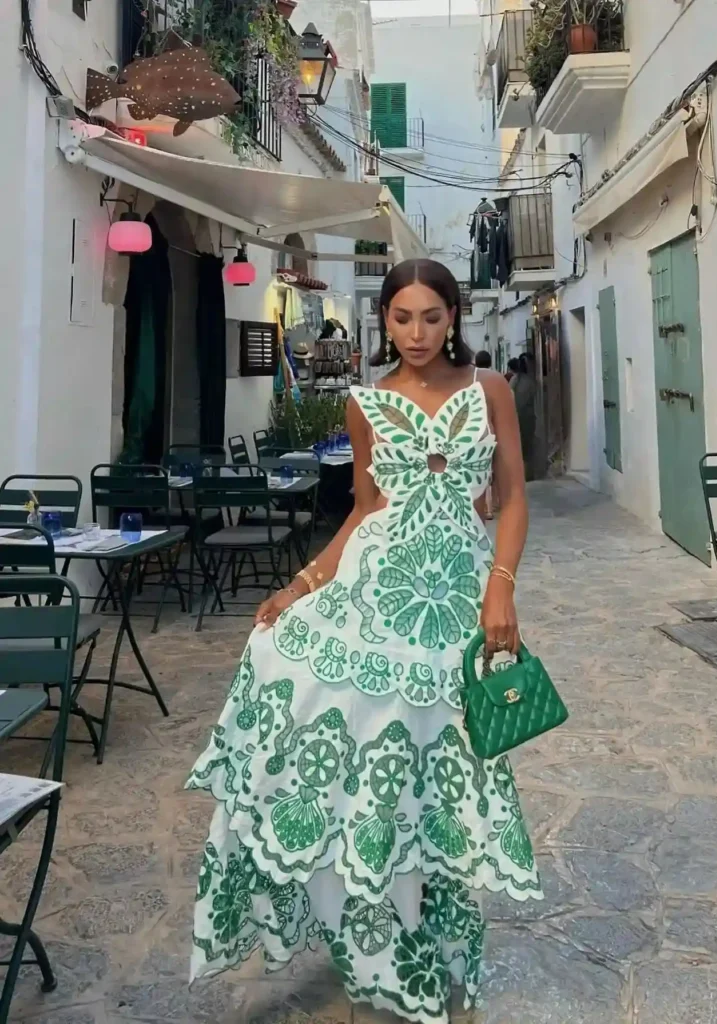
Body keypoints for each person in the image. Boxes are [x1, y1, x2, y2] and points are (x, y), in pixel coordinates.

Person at [187, 259, 541, 1024]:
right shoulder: (367, 403)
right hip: (373, 604)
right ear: (384, 320)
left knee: (443, 781)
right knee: (370, 778)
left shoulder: (490, 394)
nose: (416, 334)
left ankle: (434, 947)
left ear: (454, 318)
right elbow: (362, 515)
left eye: (431, 318)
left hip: (452, 612)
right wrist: (300, 587)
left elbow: (510, 499)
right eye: (402, 318)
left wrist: (500, 586)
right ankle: (375, 952)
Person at [511, 353, 536, 480]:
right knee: (527, 446)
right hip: (526, 417)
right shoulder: (530, 382)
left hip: (515, 417)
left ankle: (521, 474)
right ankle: (527, 474)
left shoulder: (514, 380)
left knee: (520, 446)